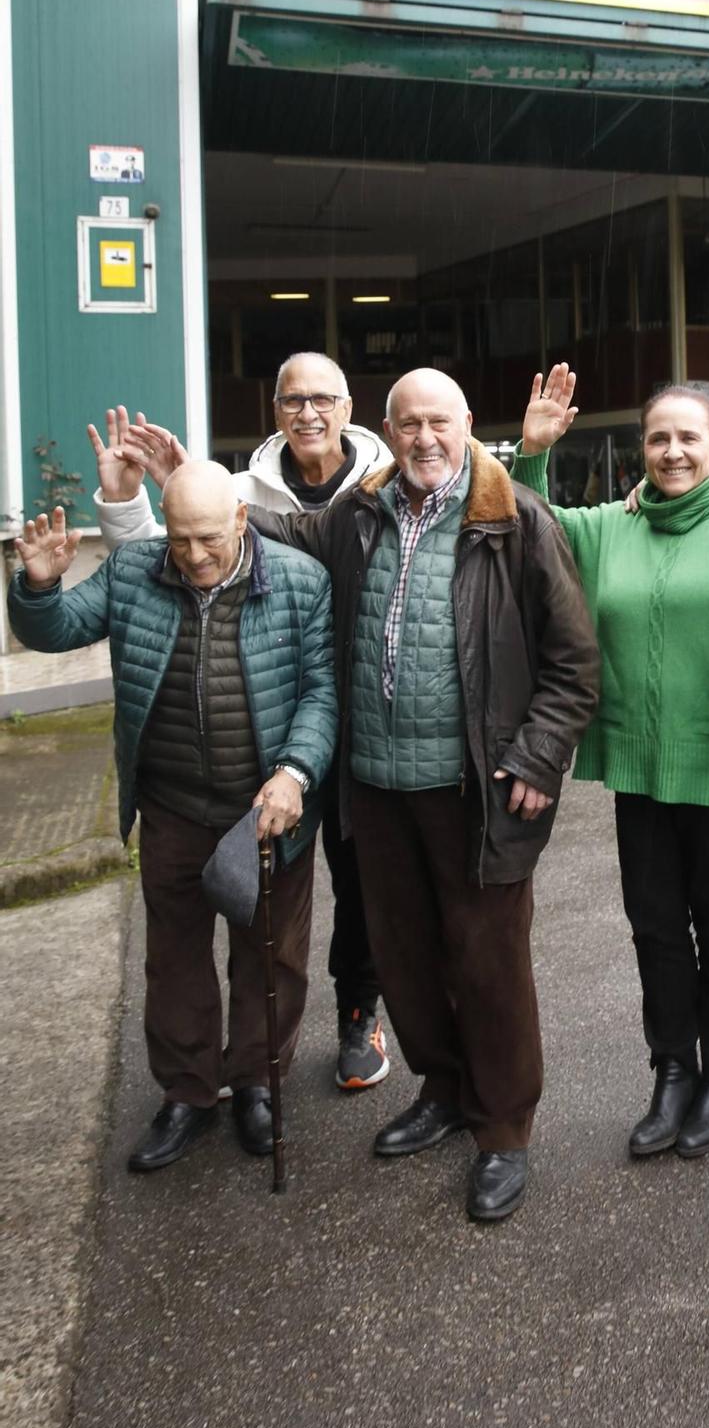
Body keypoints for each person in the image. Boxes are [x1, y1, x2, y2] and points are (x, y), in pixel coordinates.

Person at [132, 369, 600, 1222]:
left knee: (488, 965)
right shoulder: (359, 512)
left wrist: (537, 757)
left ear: (467, 425)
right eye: (409, 423)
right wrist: (180, 489)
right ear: (386, 429)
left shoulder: (515, 519)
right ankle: (443, 1090)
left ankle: (501, 1130)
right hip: (376, 788)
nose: (425, 438)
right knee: (407, 956)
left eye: (440, 422)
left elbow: (574, 661)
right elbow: (267, 525)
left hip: (476, 787)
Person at [7, 463, 337, 1171]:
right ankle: (188, 1092)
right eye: (181, 538)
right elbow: (58, 629)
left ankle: (255, 1081)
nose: (192, 555)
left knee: (270, 956)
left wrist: (295, 772)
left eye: (209, 538)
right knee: (175, 960)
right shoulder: (133, 571)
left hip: (265, 812)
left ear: (242, 521)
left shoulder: (300, 580)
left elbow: (320, 692)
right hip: (172, 807)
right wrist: (37, 586)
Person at [91, 355, 393, 1092]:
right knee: (233, 928)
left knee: (354, 899)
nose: (308, 412)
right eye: (292, 399)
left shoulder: (384, 488)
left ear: (348, 405)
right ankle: (211, 1081)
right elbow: (155, 563)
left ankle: (356, 1018)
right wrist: (140, 497)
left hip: (354, 738)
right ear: (276, 407)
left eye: (322, 398)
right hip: (259, 749)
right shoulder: (237, 489)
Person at [514, 368, 709, 1159]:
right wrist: (532, 452)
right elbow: (533, 530)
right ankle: (672, 1068)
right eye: (659, 439)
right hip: (638, 765)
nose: (672, 452)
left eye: (688, 438)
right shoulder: (609, 525)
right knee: (656, 929)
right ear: (642, 449)